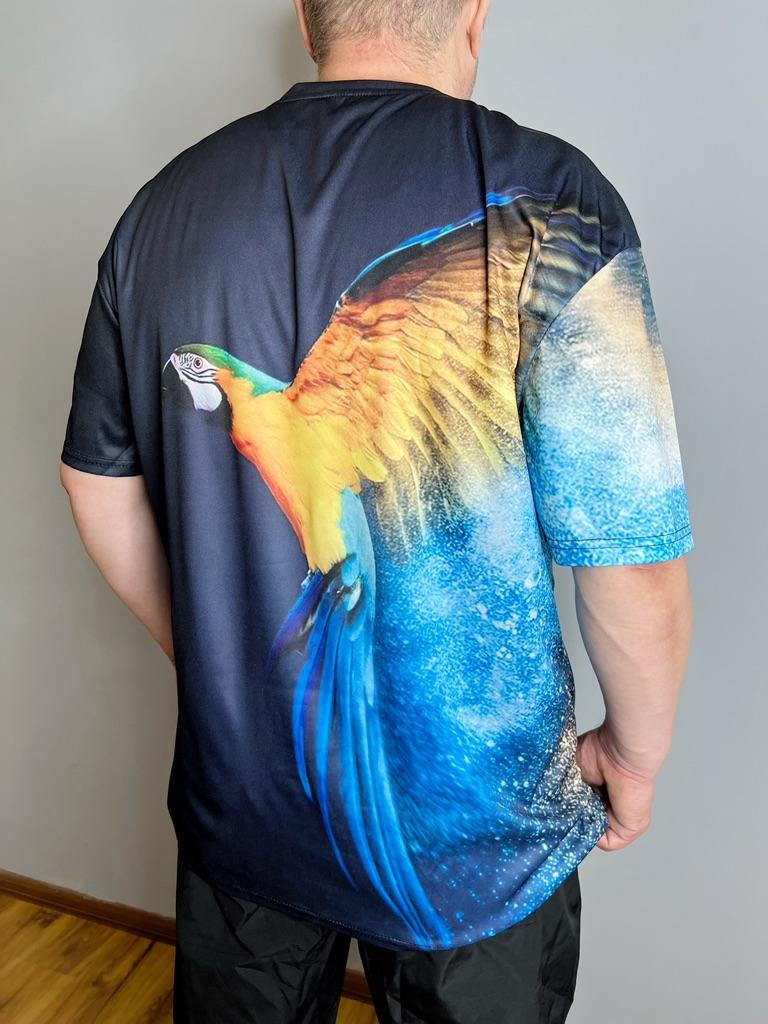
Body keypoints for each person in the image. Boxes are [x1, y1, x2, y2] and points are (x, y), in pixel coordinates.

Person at [59, 0, 695, 1020]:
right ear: (473, 14)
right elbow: (633, 556)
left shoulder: (162, 210)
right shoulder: (555, 197)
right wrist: (636, 752)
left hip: (248, 805)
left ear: (308, 16)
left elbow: (96, 481)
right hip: (481, 841)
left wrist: (220, 660)